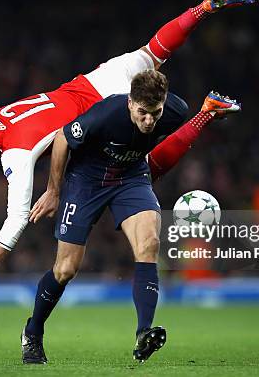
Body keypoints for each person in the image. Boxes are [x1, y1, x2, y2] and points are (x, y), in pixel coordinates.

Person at [0, 0, 259, 298]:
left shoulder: (16, 152)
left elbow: (17, 217)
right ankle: (203, 8)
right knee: (153, 52)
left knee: (141, 168)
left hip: (106, 108)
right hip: (97, 79)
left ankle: (205, 113)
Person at [20, 70, 240, 364]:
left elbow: (175, 141)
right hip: (86, 181)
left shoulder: (173, 110)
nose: (149, 120)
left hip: (131, 178)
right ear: (129, 103)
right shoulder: (107, 113)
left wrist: (204, 116)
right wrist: (53, 191)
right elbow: (62, 138)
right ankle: (33, 331)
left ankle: (143, 332)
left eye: (155, 113)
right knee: (65, 269)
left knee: (149, 243)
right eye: (142, 113)